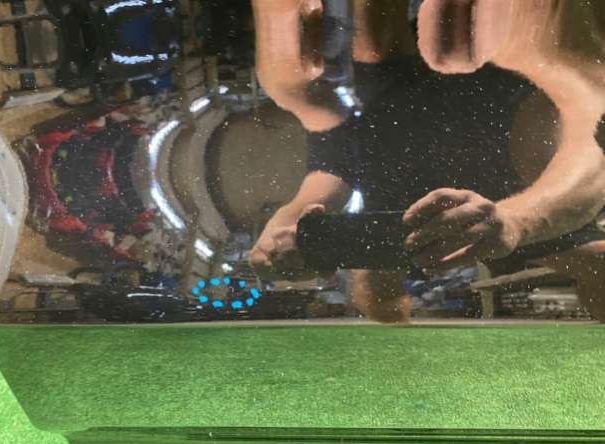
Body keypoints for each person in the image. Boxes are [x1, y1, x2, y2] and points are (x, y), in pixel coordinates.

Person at [249, 0, 605, 322]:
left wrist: (292, 223)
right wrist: (287, 227)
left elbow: (335, 169)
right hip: (468, 169)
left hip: (439, 188)